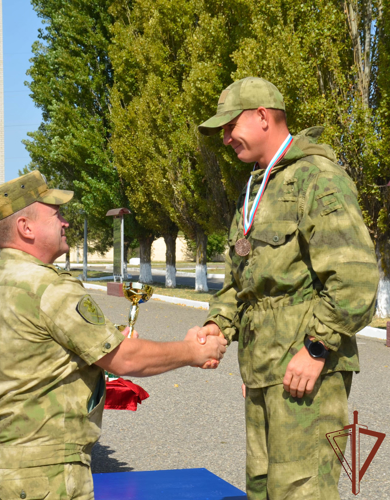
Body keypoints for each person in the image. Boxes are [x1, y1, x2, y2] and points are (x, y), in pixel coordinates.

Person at [0, 171, 228, 499]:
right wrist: (194, 351)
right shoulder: (47, 286)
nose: (66, 223)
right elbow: (124, 359)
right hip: (40, 477)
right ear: (26, 228)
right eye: (56, 214)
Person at [197, 77, 379, 499]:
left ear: (263, 116)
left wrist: (317, 349)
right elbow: (241, 279)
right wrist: (218, 325)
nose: (225, 138)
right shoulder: (258, 188)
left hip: (306, 370)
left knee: (302, 491)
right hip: (264, 369)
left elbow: (355, 279)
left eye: (230, 126)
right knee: (262, 487)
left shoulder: (317, 177)